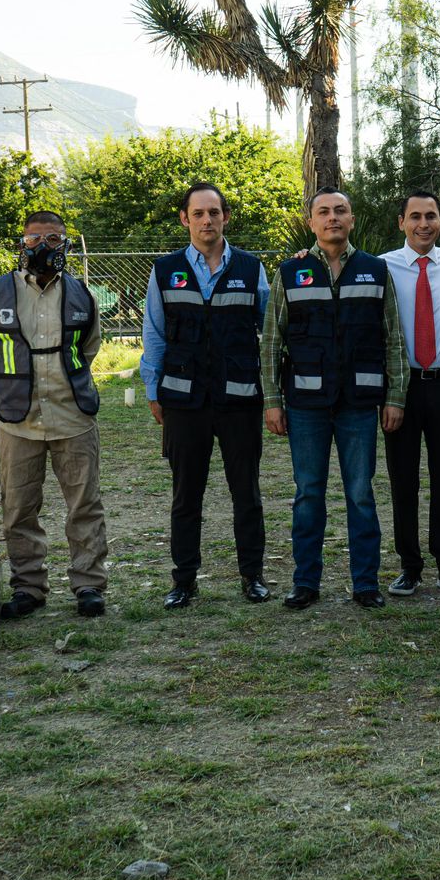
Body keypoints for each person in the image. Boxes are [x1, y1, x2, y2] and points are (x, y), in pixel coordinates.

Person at [260, 188, 407, 610]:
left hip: (359, 404)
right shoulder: (291, 272)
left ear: (352, 219)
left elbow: (393, 338)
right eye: (323, 212)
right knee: (308, 493)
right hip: (305, 404)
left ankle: (365, 584)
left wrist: (395, 396)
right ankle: (305, 582)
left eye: (340, 210)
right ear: (311, 222)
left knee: (360, 492)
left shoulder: (374, 270)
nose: (332, 218)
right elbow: (272, 341)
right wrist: (273, 400)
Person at [0, 210, 109, 619]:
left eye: (52, 239)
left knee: (84, 505)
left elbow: (88, 349)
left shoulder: (82, 293)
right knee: (19, 509)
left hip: (73, 417)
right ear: (21, 244)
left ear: (65, 245)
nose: (43, 247)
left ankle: (89, 585)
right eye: (34, 239)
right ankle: (28, 587)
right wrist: (3, 404)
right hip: (18, 421)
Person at [143, 182, 272, 609]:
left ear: (225, 217)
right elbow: (155, 335)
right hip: (183, 403)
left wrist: (271, 393)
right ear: (185, 219)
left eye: (214, 213)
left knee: (247, 493)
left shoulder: (252, 269)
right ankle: (183, 581)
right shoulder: (165, 270)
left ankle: (252, 576)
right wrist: (153, 390)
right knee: (186, 496)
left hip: (239, 401)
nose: (206, 221)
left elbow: (269, 335)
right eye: (198, 213)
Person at [381, 191, 440, 597]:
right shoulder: (382, 266)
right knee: (403, 479)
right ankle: (409, 565)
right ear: (401, 222)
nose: (423, 224)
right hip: (400, 388)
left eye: (431, 216)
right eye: (415, 216)